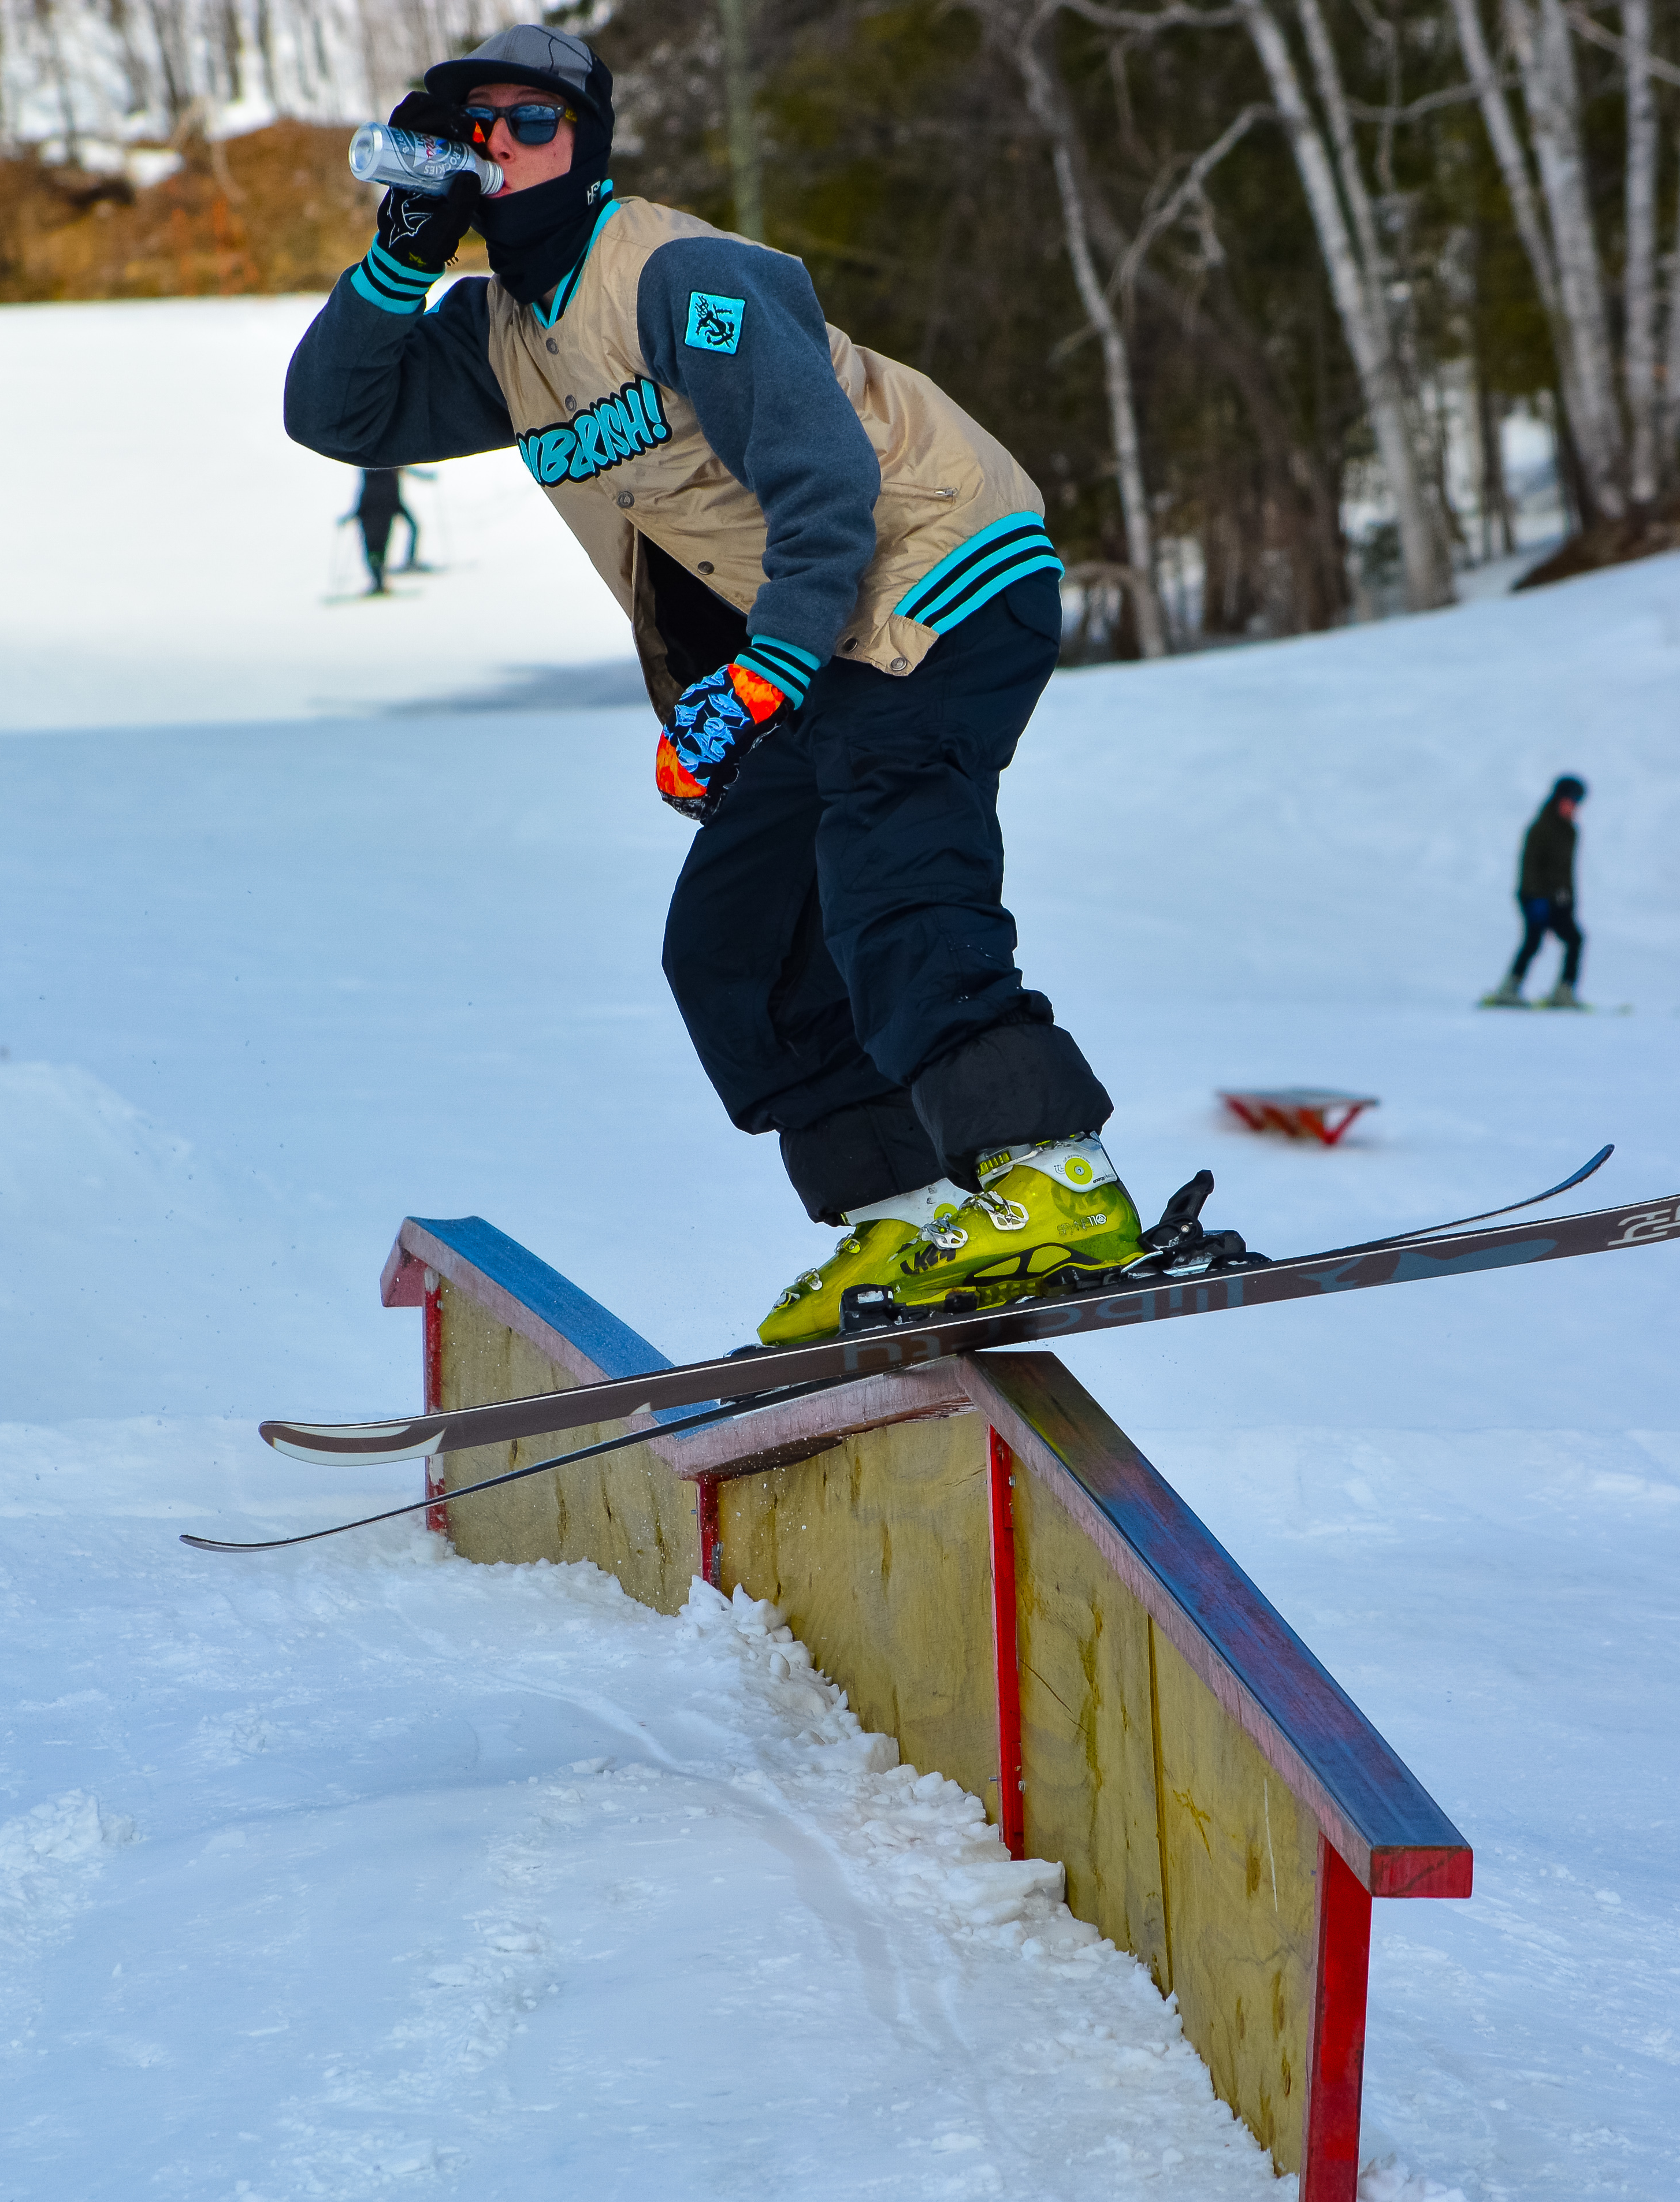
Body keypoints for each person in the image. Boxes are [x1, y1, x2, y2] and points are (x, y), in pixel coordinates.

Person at [284, 24, 1135, 1347]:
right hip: (815, 639)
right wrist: (400, 262)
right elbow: (336, 416)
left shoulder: (680, 276)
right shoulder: (499, 335)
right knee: (734, 943)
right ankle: (903, 1215)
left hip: (936, 569)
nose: (499, 146)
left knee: (889, 866)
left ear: (587, 145)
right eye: (472, 128)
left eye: (531, 123)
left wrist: (762, 678)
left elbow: (825, 484)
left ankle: (1052, 1173)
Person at [1485, 774, 1587, 1009]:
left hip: (1558, 900)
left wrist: (1569, 900)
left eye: (1577, 802)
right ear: (1558, 799)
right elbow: (1529, 866)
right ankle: (1508, 990)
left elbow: (1566, 872)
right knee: (1533, 941)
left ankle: (1564, 993)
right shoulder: (1541, 827)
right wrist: (1535, 899)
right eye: (1570, 801)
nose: (1573, 806)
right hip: (1534, 897)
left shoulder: (1570, 831)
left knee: (1574, 939)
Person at [346, 466, 419, 595]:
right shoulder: (387, 465)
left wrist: (356, 512)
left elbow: (366, 489)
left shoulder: (372, 465)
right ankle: (380, 584)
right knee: (379, 548)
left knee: (374, 549)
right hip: (382, 508)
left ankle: (379, 584)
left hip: (374, 510)